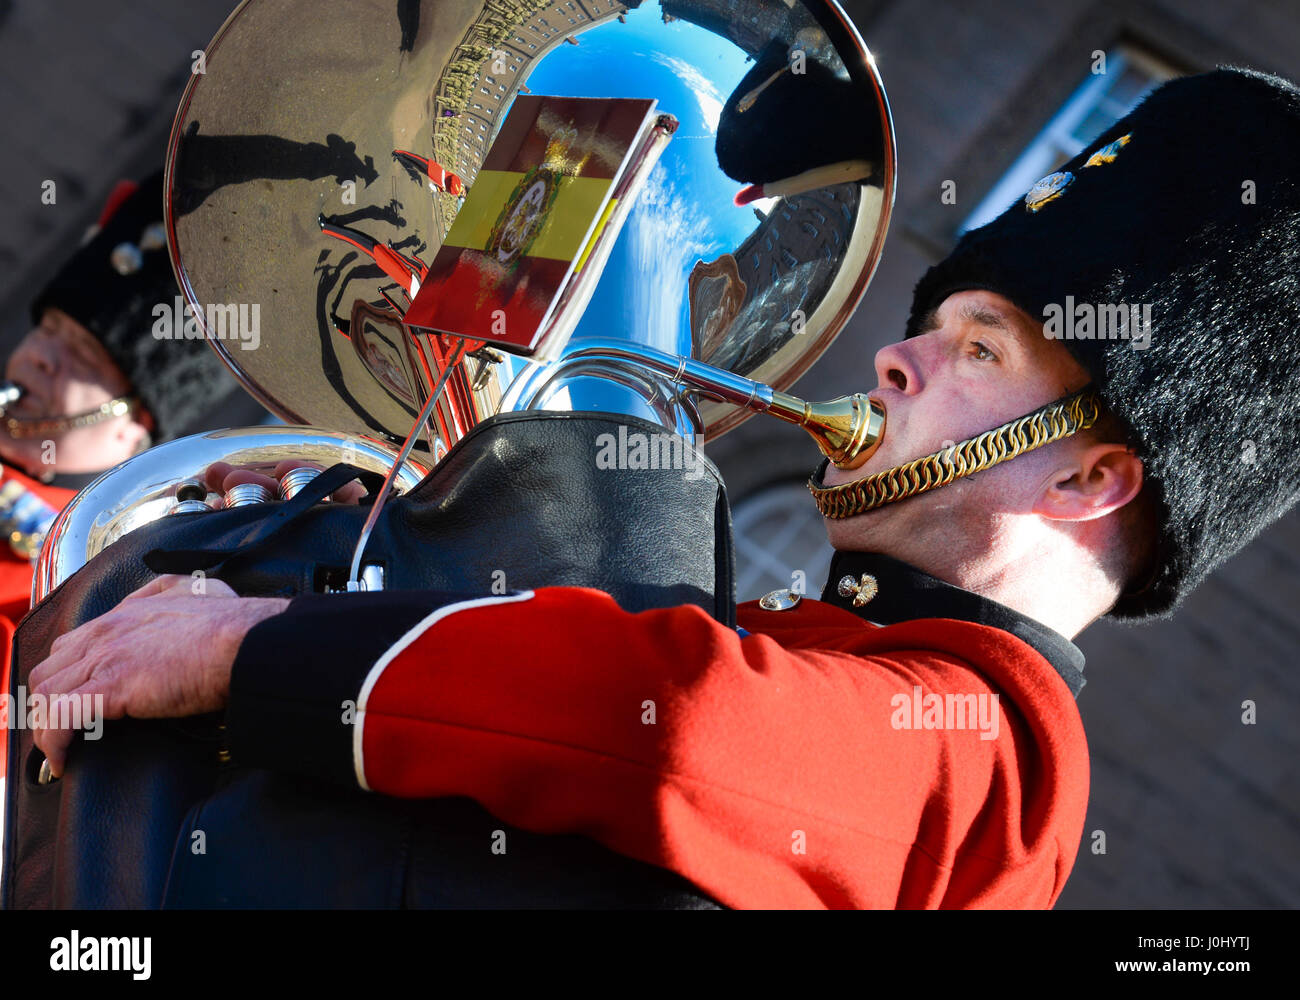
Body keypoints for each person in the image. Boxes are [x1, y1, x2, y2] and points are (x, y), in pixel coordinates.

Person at [24, 67, 1300, 908]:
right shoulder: (799, 647)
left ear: (1091, 477)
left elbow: (679, 724)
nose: (897, 357)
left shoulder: (990, 760)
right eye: (939, 324)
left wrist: (252, 645)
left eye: (978, 349)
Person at [0, 171, 239, 776]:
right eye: (48, 329)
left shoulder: (90, 569)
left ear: (131, 429)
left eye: (79, 356)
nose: (38, 355)